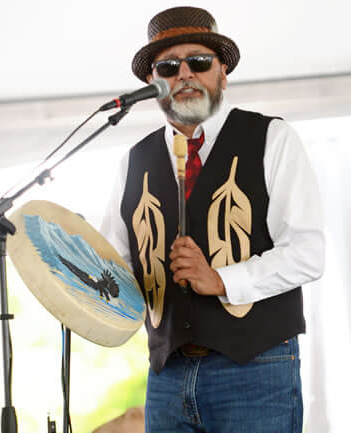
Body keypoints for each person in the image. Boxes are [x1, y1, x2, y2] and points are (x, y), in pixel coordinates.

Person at [101, 6, 325, 433]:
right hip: (166, 375)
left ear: (222, 72)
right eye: (168, 66)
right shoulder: (133, 161)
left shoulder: (272, 139)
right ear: (153, 82)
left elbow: (308, 253)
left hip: (257, 370)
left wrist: (223, 279)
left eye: (198, 61)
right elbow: (114, 265)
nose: (184, 73)